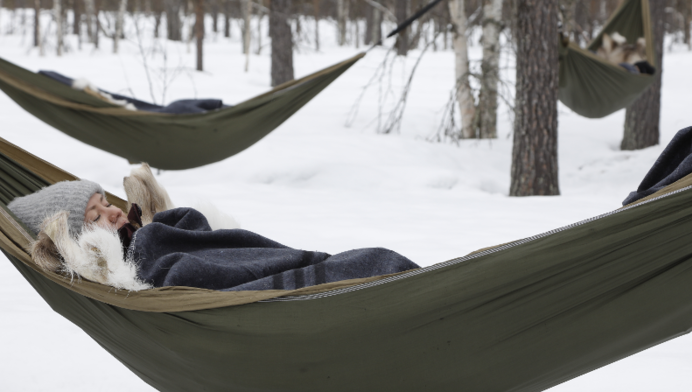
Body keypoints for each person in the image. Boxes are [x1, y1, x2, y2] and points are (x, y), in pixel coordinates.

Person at [7, 180, 420, 292]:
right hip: (259, 297)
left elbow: (226, 246)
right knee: (375, 266)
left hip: (297, 266)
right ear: (79, 243)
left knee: (374, 261)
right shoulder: (141, 255)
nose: (111, 210)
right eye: (93, 214)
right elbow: (180, 269)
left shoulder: (153, 232)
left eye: (104, 200)